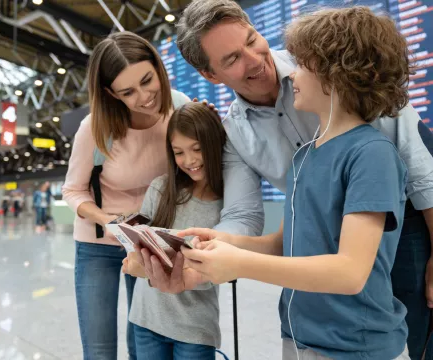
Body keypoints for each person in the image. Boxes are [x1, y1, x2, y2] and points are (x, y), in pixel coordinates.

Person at [138, 2, 433, 358]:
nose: (260, 62)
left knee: (416, 335)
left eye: (252, 40)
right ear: (210, 75)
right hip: (306, 323)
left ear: (337, 76)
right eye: (231, 59)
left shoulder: (330, 67)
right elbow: (275, 230)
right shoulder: (292, 152)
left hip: (398, 236)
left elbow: (418, 174)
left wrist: (238, 261)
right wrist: (220, 244)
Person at [61, 31, 191, 360]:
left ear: (159, 67)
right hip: (98, 246)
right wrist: (107, 220)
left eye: (148, 80)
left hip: (153, 244)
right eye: (128, 92)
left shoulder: (180, 108)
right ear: (110, 93)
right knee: (100, 349)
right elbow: (73, 190)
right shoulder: (96, 127)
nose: (145, 97)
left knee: (144, 347)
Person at [122, 101, 225, 360]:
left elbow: (221, 269)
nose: (189, 160)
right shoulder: (160, 188)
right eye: (178, 152)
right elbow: (135, 252)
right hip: (146, 319)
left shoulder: (226, 204)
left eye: (197, 149)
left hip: (194, 327)